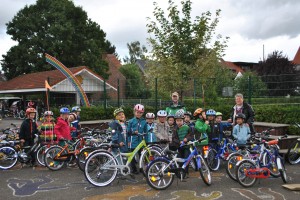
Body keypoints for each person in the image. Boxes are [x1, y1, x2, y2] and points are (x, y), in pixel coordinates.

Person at [170, 110, 193, 176]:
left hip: (186, 146)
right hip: (179, 147)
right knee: (179, 159)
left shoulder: (187, 127)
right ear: (175, 121)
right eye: (177, 121)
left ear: (183, 120)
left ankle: (185, 172)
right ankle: (179, 172)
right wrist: (179, 141)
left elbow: (190, 134)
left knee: (186, 159)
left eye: (180, 120)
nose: (179, 122)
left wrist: (187, 138)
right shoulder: (175, 129)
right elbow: (174, 138)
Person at [127, 104, 147, 174]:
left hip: (140, 142)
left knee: (142, 155)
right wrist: (133, 132)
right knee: (132, 156)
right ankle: (134, 169)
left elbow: (145, 132)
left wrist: (145, 143)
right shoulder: (131, 121)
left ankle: (142, 168)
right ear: (134, 112)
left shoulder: (144, 121)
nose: (139, 114)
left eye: (140, 113)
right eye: (137, 112)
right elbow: (128, 131)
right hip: (133, 141)